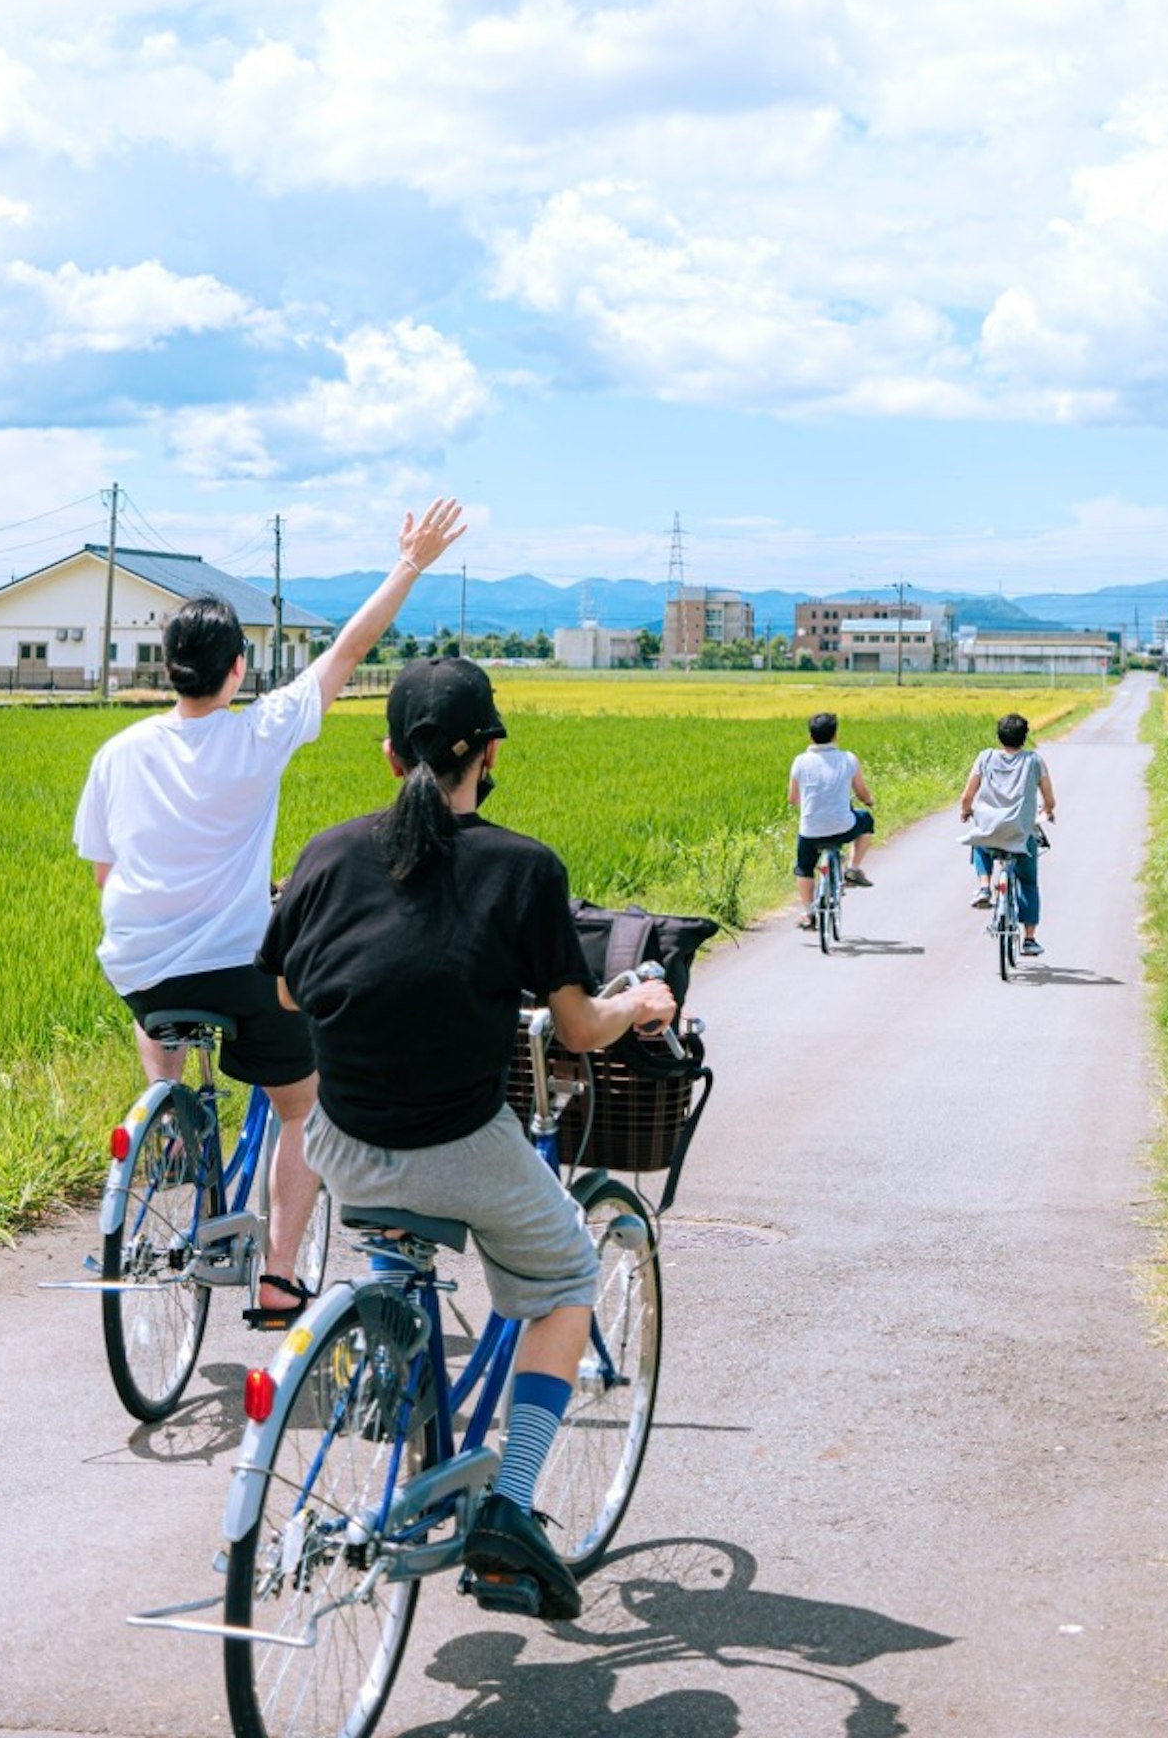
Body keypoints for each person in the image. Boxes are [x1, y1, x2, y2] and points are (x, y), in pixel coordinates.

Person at [261, 655, 679, 1626]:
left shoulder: (327, 854)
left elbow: (287, 990)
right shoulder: (523, 867)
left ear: (387, 754)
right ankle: (510, 1506)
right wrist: (638, 1001)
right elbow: (577, 1031)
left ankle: (391, 1356)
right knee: (567, 1279)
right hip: (463, 1142)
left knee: (401, 1238)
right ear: (489, 754)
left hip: (343, 1144)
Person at [73, 499, 464, 1328]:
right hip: (238, 969)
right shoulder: (259, 734)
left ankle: (166, 1111)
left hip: (139, 963)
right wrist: (410, 563)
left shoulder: (117, 753)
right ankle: (280, 1278)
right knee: (303, 1106)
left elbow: (107, 877)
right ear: (238, 671)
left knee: (151, 969)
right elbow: (349, 648)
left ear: (166, 665)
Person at [958, 710, 1056, 945]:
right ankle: (1030, 939)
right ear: (1025, 736)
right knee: (1029, 883)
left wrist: (966, 811)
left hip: (990, 830)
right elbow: (1049, 799)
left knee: (980, 842)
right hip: (1021, 833)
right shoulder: (1034, 761)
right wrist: (1048, 810)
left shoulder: (985, 757)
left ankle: (984, 887)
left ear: (999, 736)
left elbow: (967, 796)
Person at [788, 709, 877, 928]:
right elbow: (861, 792)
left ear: (810, 736)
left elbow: (792, 799)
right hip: (844, 826)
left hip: (810, 829)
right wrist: (869, 802)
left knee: (804, 867)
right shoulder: (848, 759)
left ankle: (809, 913)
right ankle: (853, 869)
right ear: (835, 735)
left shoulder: (800, 761)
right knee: (866, 820)